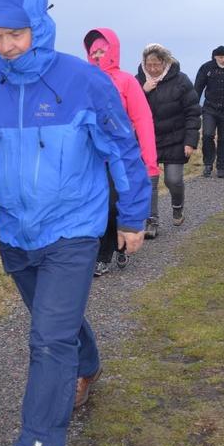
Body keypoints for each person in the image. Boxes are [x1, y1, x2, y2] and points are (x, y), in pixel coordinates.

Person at [0, 0, 149, 446]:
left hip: (74, 228)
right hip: (16, 232)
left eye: (15, 33)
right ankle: (89, 366)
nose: (6, 45)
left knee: (48, 338)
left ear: (39, 27)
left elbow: (120, 149)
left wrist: (132, 216)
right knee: (52, 319)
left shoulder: (83, 82)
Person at [83, 27, 159, 276]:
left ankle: (116, 250)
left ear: (113, 51)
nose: (97, 55)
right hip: (92, 158)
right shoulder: (83, 81)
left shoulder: (126, 81)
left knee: (115, 205)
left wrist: (149, 163)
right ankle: (105, 252)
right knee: (99, 206)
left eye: (102, 50)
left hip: (121, 157)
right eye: (93, 51)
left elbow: (143, 120)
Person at [135, 43, 201, 237]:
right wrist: (143, 91)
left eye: (157, 64)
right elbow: (128, 108)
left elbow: (193, 112)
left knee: (173, 180)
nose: (153, 69)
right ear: (144, 64)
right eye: (149, 65)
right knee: (150, 182)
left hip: (175, 138)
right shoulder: (137, 82)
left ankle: (177, 205)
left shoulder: (181, 81)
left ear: (165, 63)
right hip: (148, 141)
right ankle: (151, 221)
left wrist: (190, 141)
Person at [194, 45, 224, 178]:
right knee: (208, 135)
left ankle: (221, 167)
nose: (223, 60)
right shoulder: (206, 68)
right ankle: (208, 164)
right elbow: (198, 87)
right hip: (209, 108)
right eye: (220, 57)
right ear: (215, 57)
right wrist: (193, 106)